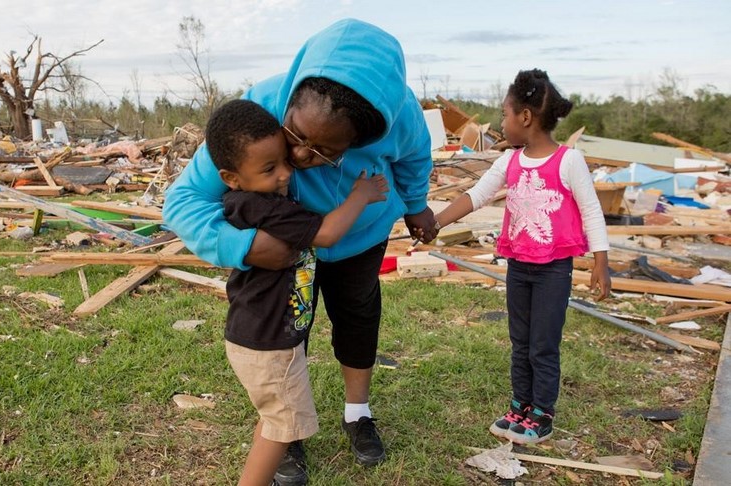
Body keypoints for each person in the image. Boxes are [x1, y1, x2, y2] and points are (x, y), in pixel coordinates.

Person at [163, 18, 437, 485]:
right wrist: (245, 246)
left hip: (360, 234)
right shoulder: (255, 114)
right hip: (287, 245)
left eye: (326, 151)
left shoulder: (400, 117)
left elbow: (414, 160)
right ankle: (286, 437)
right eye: (295, 136)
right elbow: (182, 202)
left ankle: (357, 413)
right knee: (289, 328)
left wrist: (415, 206)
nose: (304, 157)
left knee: (356, 314)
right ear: (287, 105)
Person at [205, 99, 387, 486]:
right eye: (270, 169)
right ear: (231, 177)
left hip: (263, 337)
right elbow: (325, 234)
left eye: (284, 161)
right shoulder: (262, 208)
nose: (287, 174)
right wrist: (361, 194)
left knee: (275, 421)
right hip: (268, 344)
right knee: (282, 428)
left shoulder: (257, 199)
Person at [433, 69, 611, 445]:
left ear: (525, 118)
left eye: (504, 114)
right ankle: (520, 404)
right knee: (520, 340)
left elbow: (592, 211)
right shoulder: (508, 162)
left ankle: (542, 412)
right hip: (519, 266)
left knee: (543, 343)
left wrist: (601, 262)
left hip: (553, 270)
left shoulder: (569, 161)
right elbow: (475, 196)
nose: (501, 121)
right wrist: (435, 222)